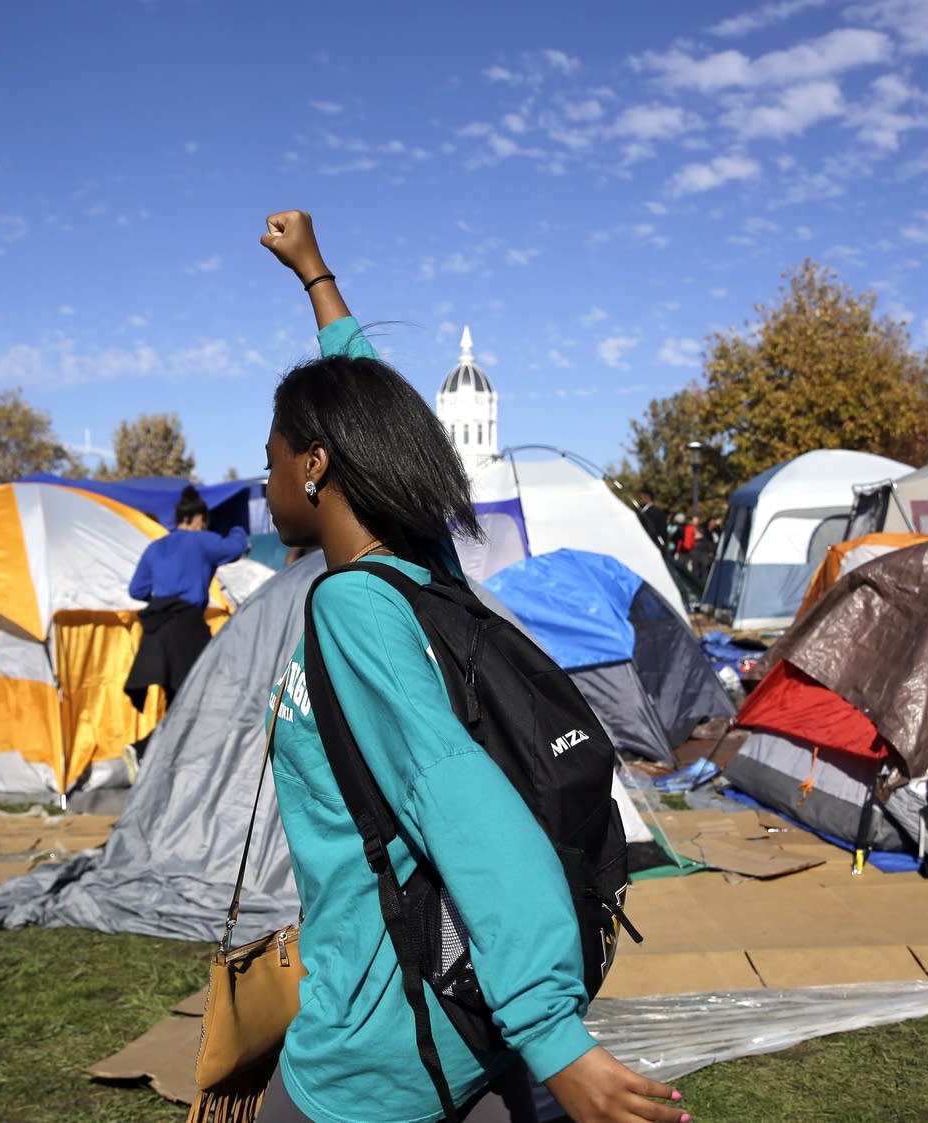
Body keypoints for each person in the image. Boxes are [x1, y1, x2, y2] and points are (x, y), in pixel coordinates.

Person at [254, 209, 686, 1123]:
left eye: (275, 460)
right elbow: (380, 419)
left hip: (376, 1049)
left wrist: (553, 1034)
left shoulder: (354, 605)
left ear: (317, 465)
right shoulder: (427, 569)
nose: (267, 482)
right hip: (462, 1020)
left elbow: (456, 794)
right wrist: (317, 278)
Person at [123, 485, 248, 709]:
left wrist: (164, 596)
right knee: (200, 695)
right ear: (199, 519)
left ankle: (164, 733)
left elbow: (136, 590)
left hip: (157, 631)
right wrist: (237, 525)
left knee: (174, 701)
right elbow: (235, 548)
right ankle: (158, 738)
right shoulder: (202, 541)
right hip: (187, 628)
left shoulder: (156, 547)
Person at [634, 487, 669, 554]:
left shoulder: (654, 512)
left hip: (651, 547)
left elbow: (656, 531)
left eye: (640, 498)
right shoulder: (644, 511)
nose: (638, 500)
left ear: (647, 498)